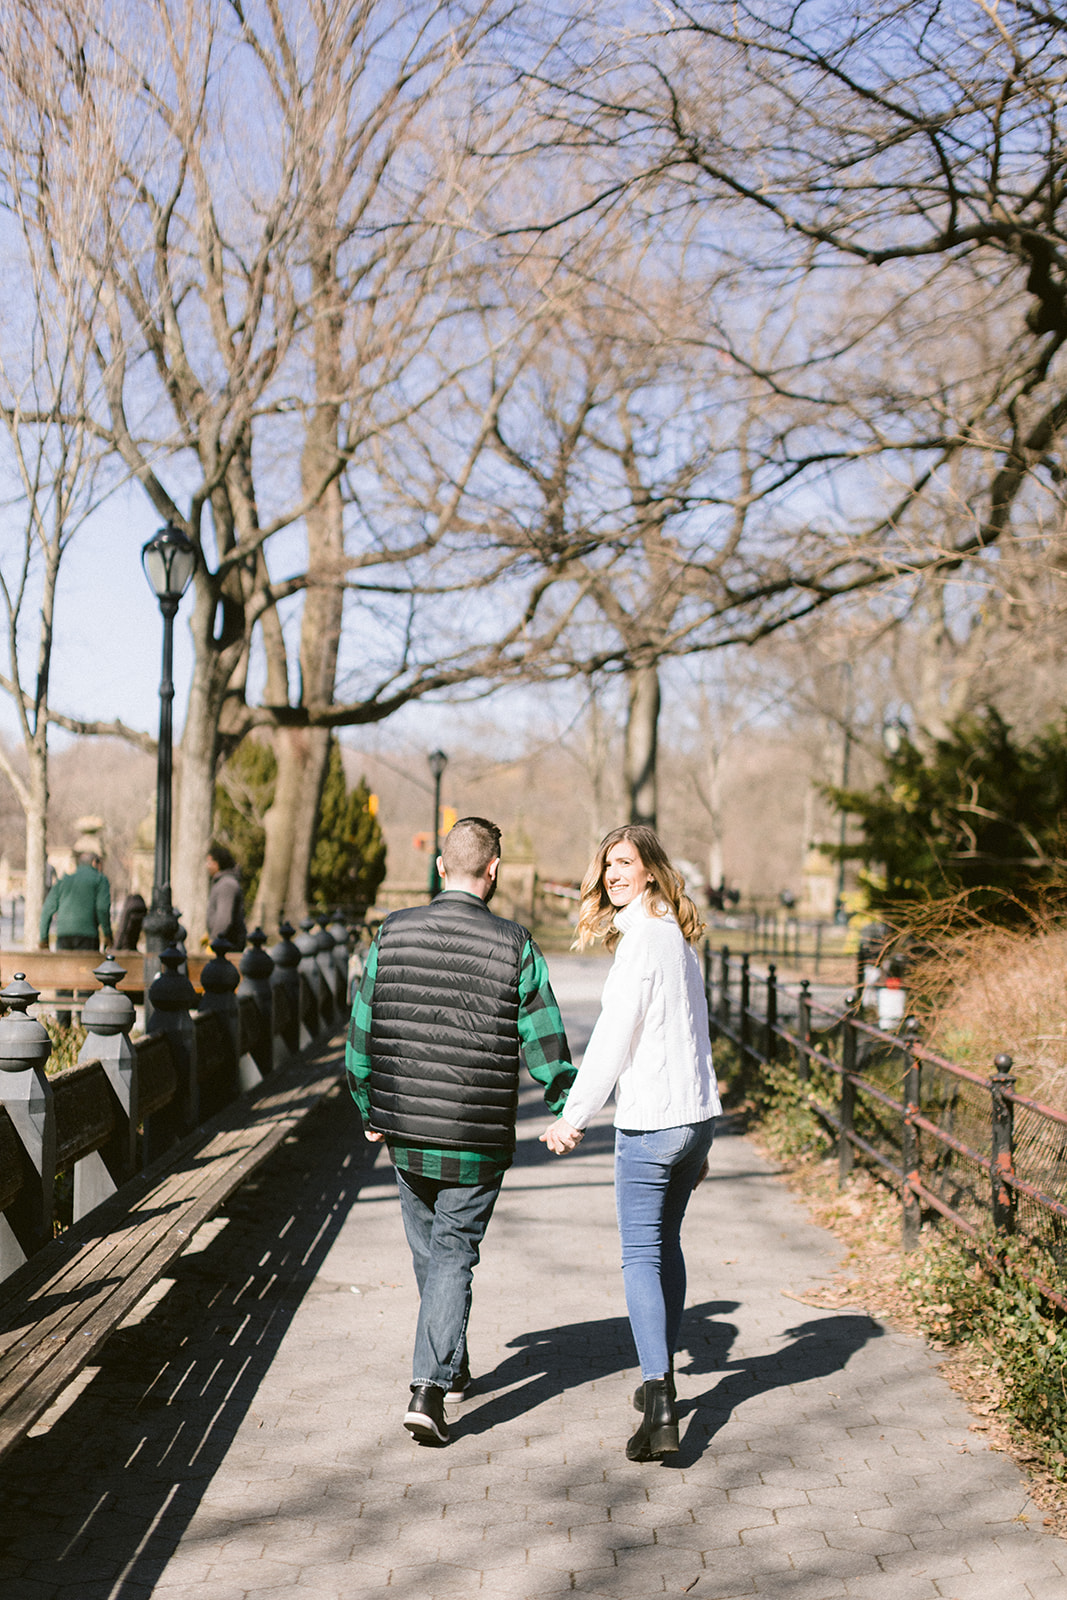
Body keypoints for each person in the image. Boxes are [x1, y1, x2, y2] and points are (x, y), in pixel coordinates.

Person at [346, 816, 574, 1447]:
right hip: (476, 1134)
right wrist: (567, 1101)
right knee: (449, 1256)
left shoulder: (390, 933)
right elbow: (545, 1036)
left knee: (433, 1254)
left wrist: (368, 1105)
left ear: (441, 866)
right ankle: (430, 1388)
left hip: (408, 1131)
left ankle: (449, 1362)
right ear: (493, 871)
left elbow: (362, 1031)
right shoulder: (516, 944)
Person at [541, 824, 721, 1464]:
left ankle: (660, 1397)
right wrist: (704, 1128)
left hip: (652, 1124)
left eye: (624, 863)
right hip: (693, 1122)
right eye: (606, 865)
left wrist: (574, 1117)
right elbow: (700, 1036)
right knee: (665, 1244)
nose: (613, 875)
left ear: (649, 870)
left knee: (640, 1256)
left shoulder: (643, 943)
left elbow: (613, 1039)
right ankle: (658, 1384)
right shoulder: (676, 936)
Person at [39, 849, 114, 1027]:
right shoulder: (99, 879)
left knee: (64, 981)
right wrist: (108, 936)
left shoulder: (64, 881)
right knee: (85, 981)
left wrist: (43, 939)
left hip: (64, 936)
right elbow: (103, 909)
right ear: (95, 863)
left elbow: (47, 909)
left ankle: (63, 1027)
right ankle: (83, 1026)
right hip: (88, 937)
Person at [205, 841, 246, 950]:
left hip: (227, 946)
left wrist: (214, 940)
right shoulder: (222, 883)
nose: (207, 866)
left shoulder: (227, 885)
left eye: (209, 862)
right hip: (223, 943)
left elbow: (224, 918)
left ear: (218, 863)